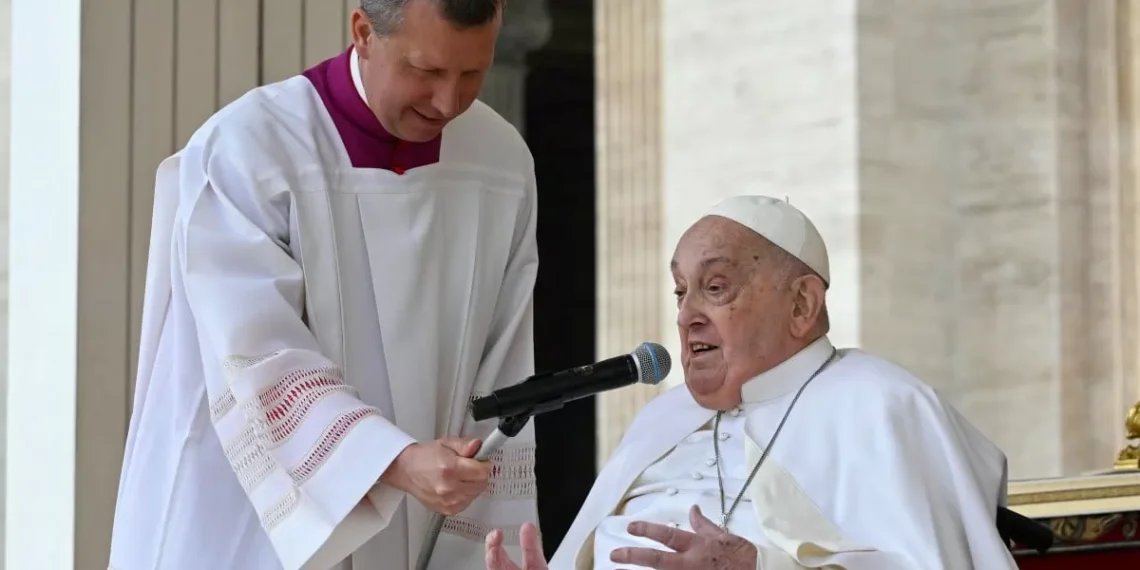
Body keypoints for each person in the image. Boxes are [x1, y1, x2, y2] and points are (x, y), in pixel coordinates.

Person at [109, 1, 540, 569]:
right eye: (427, 71)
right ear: (363, 31)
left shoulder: (499, 161)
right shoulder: (251, 149)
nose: (448, 102)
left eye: (471, 73)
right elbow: (257, 354)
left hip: (429, 511)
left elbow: (502, 362)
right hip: (256, 524)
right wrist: (392, 460)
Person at [484, 195, 1018, 570]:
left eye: (715, 287)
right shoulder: (661, 419)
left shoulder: (885, 404)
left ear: (803, 304)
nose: (687, 315)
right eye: (679, 292)